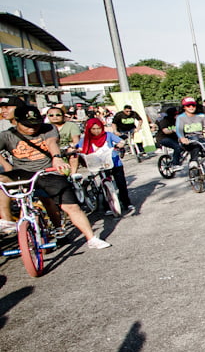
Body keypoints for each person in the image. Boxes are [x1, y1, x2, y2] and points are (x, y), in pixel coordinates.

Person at [0, 105, 111, 248]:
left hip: (48, 171)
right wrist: (5, 164)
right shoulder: (6, 135)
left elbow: (51, 142)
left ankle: (91, 239)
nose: (32, 128)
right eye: (27, 125)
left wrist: (57, 158)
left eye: (35, 124)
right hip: (22, 173)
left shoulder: (48, 128)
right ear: (17, 121)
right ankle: (7, 221)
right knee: (2, 181)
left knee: (71, 206)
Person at [78, 118, 134, 214]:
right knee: (103, 184)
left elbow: (120, 141)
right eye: (93, 129)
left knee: (121, 183)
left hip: (114, 162)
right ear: (89, 129)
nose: (96, 131)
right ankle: (107, 206)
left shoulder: (108, 135)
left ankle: (126, 203)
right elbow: (79, 148)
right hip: (99, 164)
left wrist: (120, 144)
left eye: (99, 128)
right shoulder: (85, 139)